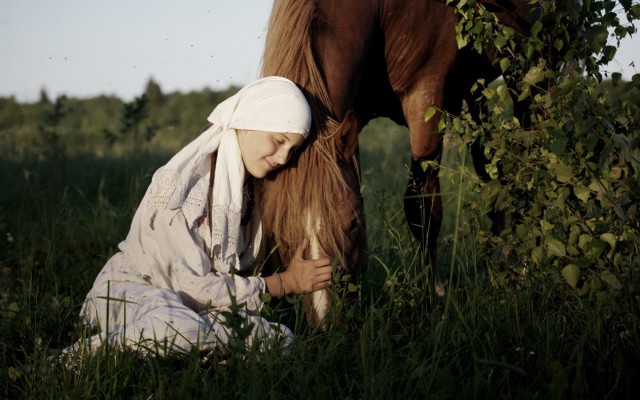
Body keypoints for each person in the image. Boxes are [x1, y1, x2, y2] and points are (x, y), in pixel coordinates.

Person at [73, 77, 333, 357]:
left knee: (278, 339)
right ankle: (70, 361)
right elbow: (191, 286)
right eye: (279, 140)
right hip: (133, 294)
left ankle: (180, 357)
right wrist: (284, 283)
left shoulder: (247, 193)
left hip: (193, 310)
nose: (283, 157)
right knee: (179, 327)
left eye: (291, 149)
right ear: (247, 123)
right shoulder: (180, 186)